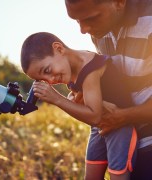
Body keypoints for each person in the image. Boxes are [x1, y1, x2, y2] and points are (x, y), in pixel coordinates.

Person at [20, 32, 143, 180]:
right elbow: (84, 101)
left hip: (120, 127)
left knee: (118, 176)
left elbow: (94, 116)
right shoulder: (68, 68)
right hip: (100, 129)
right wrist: (73, 98)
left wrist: (57, 99)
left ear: (59, 49)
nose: (50, 80)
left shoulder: (89, 67)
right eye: (43, 80)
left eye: (47, 71)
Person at [64, 0, 152, 179]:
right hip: (125, 143)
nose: (83, 30)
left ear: (119, 2)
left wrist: (125, 116)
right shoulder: (99, 31)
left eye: (91, 18)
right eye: (76, 21)